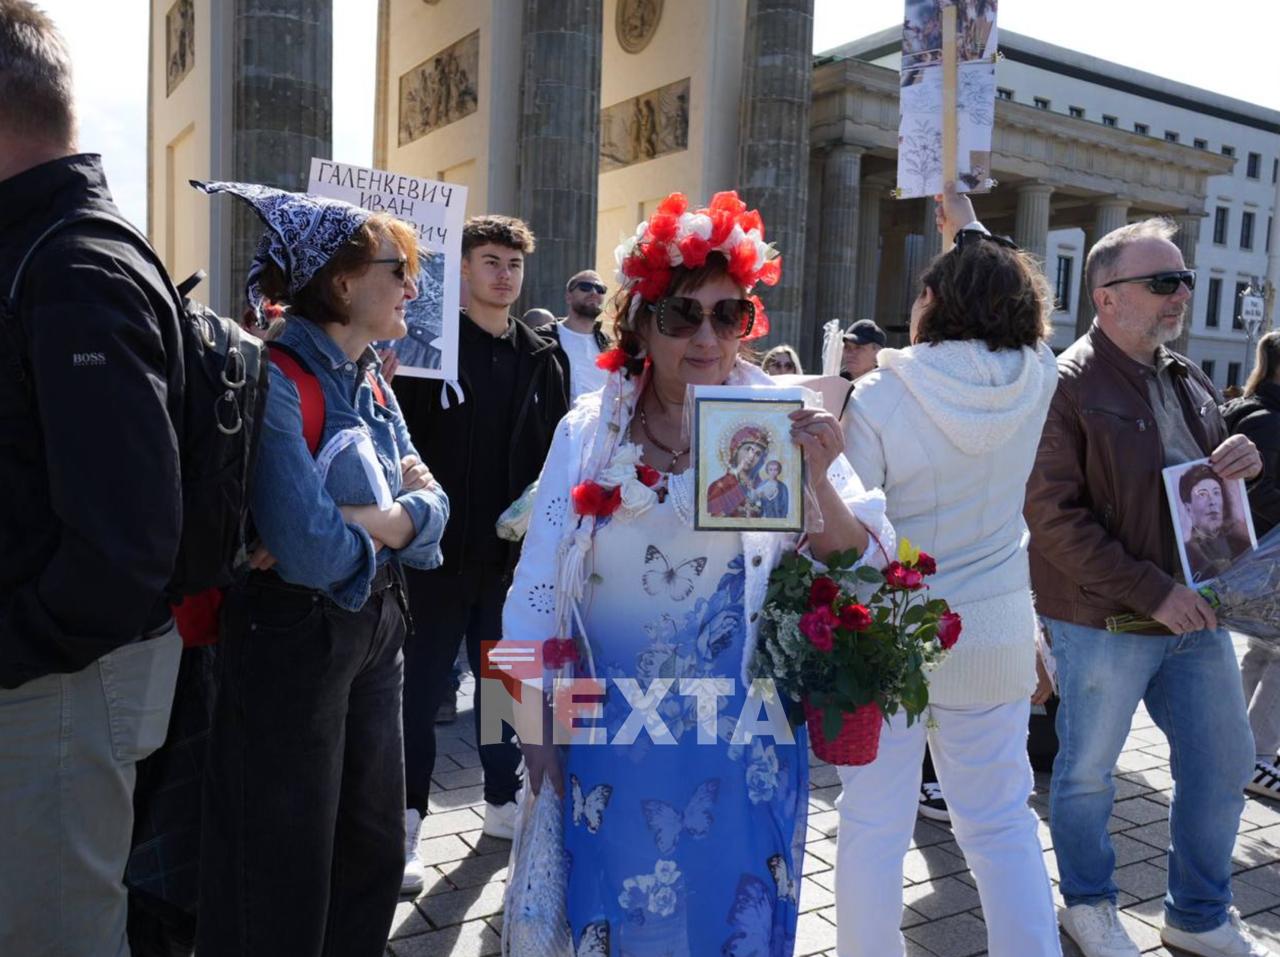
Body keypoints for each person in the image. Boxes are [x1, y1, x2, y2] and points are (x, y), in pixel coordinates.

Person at [505, 190, 891, 956]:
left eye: (730, 314)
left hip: (742, 741)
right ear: (642, 322)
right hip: (605, 740)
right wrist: (529, 738)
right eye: (683, 315)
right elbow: (535, 588)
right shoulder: (589, 430)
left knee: (730, 919)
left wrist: (821, 476)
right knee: (612, 917)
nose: (708, 336)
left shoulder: (782, 421)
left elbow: (864, 571)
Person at [192, 181, 450, 957]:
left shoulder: (371, 375)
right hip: (293, 637)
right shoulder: (276, 375)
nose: (413, 285)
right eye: (397, 267)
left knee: (372, 845)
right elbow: (305, 550)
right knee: (284, 865)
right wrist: (394, 525)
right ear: (342, 281)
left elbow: (437, 509)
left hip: (376, 628)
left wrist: (369, 523)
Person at [1024, 217, 1270, 957]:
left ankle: (1196, 913)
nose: (1181, 294)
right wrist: (1151, 589)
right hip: (1105, 619)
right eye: (1163, 282)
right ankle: (1088, 906)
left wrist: (1243, 461)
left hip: (1195, 617)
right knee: (1087, 773)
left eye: (1184, 279)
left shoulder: (1187, 375)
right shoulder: (1065, 385)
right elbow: (1051, 518)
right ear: (1107, 297)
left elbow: (1198, 492)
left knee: (1224, 763)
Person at [0, 5, 184, 954]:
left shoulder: (74, 265)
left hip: (55, 682)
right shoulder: (44, 249)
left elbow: (122, 549)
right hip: (45, 672)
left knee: (54, 936)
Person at [837, 184, 1062, 957]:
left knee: (873, 822)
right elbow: (1006, 287)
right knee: (1001, 821)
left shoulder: (880, 393)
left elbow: (856, 532)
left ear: (933, 299)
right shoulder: (1038, 377)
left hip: (891, 628)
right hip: (994, 627)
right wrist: (969, 227)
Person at [393, 214, 568, 892]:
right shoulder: (425, 348)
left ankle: (503, 805)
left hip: (511, 564)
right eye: (491, 261)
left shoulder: (541, 354)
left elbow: (557, 447)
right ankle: (407, 824)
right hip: (434, 558)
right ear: (463, 270)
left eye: (514, 264)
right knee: (418, 695)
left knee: (508, 687)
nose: (505, 274)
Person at [1225, 331, 1280, 800]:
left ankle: (1238, 746)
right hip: (1265, 558)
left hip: (1245, 556)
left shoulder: (1247, 406)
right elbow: (1257, 492)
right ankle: (1257, 757)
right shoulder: (1268, 420)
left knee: (1263, 651)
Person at [543, 269, 613, 402]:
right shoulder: (545, 338)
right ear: (568, 296)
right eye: (585, 287)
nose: (594, 292)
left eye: (600, 289)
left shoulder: (608, 344)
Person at [1178, 463, 1252, 582]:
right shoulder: (1186, 553)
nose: (1213, 502)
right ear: (1188, 508)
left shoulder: (1240, 541)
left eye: (1216, 493)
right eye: (1202, 494)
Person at [707, 426, 768, 518]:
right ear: (735, 450)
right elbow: (714, 520)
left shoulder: (761, 487)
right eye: (748, 449)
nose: (751, 457)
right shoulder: (720, 486)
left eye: (758, 454)